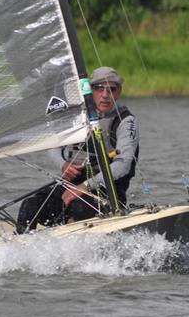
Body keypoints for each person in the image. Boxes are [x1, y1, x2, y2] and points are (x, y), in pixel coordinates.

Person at [16, 66, 140, 233]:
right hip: (70, 186)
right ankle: (23, 249)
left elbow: (123, 165)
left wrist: (85, 187)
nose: (105, 95)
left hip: (106, 192)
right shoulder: (78, 116)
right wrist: (63, 165)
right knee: (30, 206)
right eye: (99, 88)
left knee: (79, 208)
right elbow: (53, 146)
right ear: (90, 91)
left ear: (118, 92)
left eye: (111, 89)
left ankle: (73, 236)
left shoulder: (126, 122)